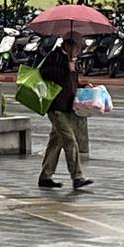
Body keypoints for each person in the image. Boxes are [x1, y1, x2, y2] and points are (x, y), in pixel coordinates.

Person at [37, 38, 93, 190]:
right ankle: (77, 176)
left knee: (55, 142)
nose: (79, 50)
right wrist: (66, 68)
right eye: (77, 47)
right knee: (70, 141)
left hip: (68, 107)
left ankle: (45, 175)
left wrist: (82, 84)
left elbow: (71, 82)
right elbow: (45, 74)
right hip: (56, 107)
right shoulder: (55, 56)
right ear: (69, 45)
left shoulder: (72, 60)